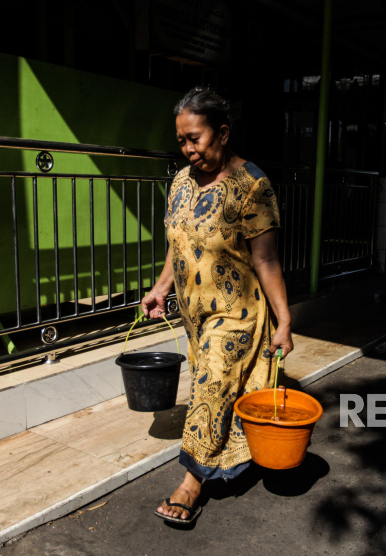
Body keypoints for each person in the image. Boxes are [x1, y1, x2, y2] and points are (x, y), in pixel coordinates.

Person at [142, 87, 294, 523]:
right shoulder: (180, 182)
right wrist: (161, 287)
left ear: (222, 133)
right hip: (195, 315)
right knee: (218, 388)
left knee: (209, 386)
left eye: (196, 138)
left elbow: (266, 259)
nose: (188, 149)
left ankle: (190, 485)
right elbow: (179, 241)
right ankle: (232, 459)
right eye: (182, 141)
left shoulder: (252, 186)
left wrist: (284, 321)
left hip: (237, 314)